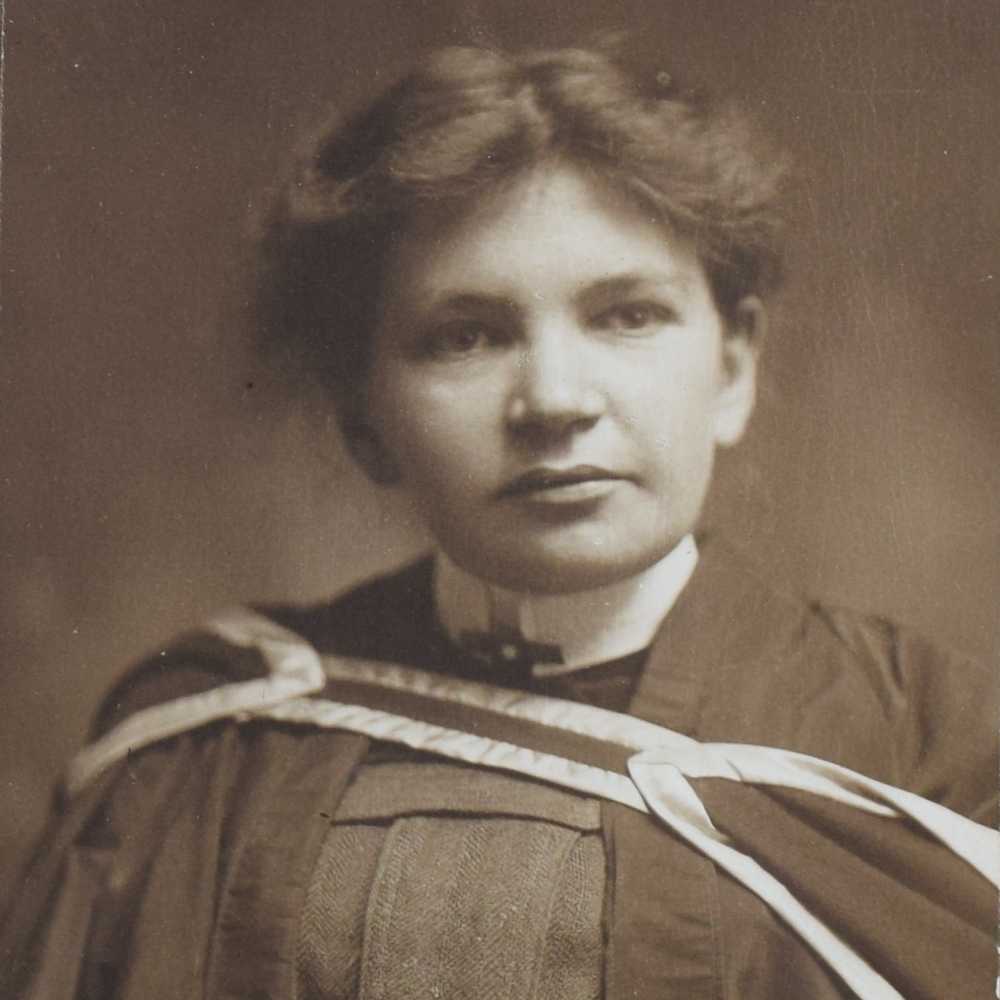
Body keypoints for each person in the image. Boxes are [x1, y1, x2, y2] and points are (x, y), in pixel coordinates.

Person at [1, 44, 996, 1000]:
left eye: (626, 315)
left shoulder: (933, 748)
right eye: (465, 336)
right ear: (363, 413)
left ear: (731, 367)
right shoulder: (207, 744)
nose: (555, 399)